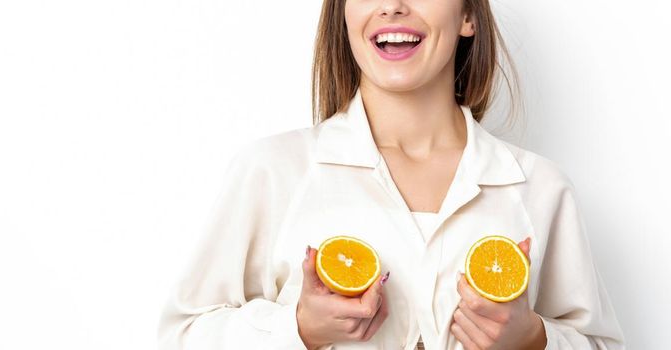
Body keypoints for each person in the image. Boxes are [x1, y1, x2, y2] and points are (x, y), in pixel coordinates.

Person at [158, 0, 625, 349]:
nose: (393, 5)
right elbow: (181, 335)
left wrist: (533, 338)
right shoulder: (274, 172)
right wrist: (297, 329)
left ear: (469, 17)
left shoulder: (540, 188)